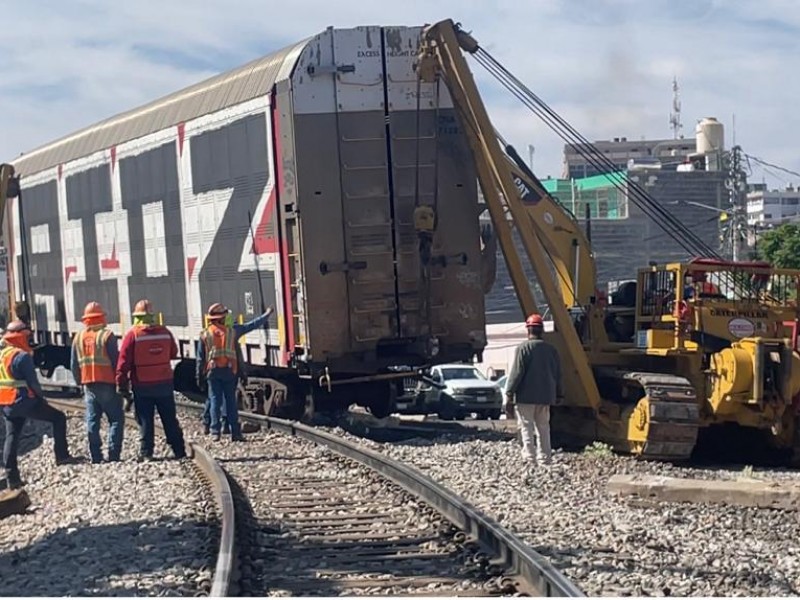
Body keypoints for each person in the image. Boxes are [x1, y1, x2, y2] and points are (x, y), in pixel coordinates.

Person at [1, 320, 78, 489]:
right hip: (24, 401)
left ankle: (12, 479)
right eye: (27, 336)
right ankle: (62, 456)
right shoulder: (22, 357)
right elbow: (33, 383)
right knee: (58, 418)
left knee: (11, 437)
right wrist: (40, 398)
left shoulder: (3, 355)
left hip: (6, 403)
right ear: (21, 336)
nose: (29, 339)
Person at [116, 299, 186, 461]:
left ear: (137, 316)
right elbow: (173, 353)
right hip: (164, 383)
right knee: (169, 418)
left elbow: (123, 363)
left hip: (143, 384)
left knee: (145, 419)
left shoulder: (132, 335)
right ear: (153, 316)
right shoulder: (165, 332)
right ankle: (179, 450)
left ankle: (147, 452)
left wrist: (121, 385)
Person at [196, 303, 272, 442]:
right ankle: (235, 433)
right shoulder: (232, 331)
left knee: (214, 401)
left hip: (212, 372)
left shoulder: (204, 334)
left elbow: (200, 359)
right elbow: (252, 325)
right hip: (230, 372)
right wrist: (266, 315)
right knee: (231, 402)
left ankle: (215, 431)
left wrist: (199, 377)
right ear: (222, 318)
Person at [504, 313, 563, 467]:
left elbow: (517, 373)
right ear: (542, 330)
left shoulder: (523, 348)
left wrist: (509, 393)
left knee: (526, 426)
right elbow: (558, 374)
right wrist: (559, 393)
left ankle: (530, 458)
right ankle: (545, 458)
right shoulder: (551, 350)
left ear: (528, 330)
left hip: (526, 396)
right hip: (545, 397)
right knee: (543, 427)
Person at [71, 301, 123, 464]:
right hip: (107, 383)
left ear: (85, 319)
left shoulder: (78, 338)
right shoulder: (107, 336)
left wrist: (79, 382)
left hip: (89, 385)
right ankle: (113, 455)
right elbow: (116, 362)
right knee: (115, 419)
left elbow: (73, 364)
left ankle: (96, 456)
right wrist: (121, 383)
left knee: (92, 421)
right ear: (102, 318)